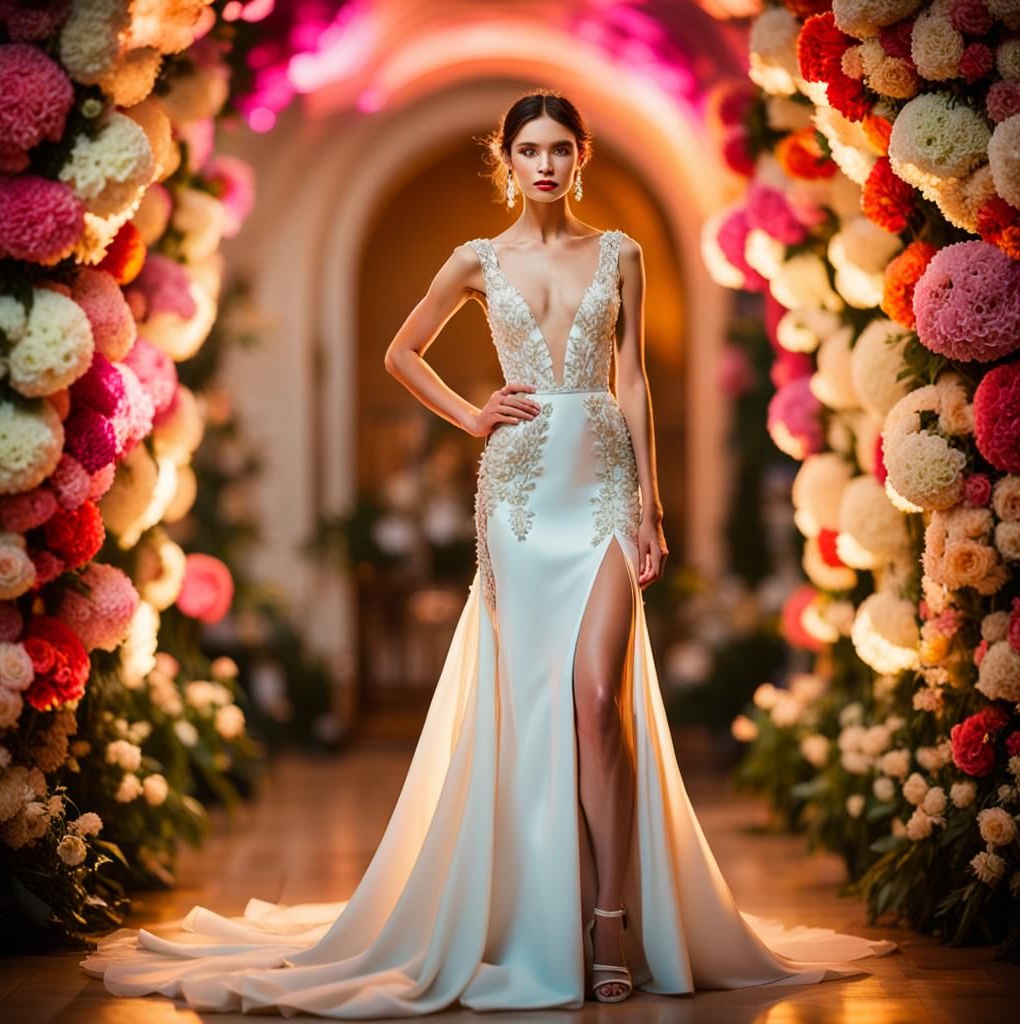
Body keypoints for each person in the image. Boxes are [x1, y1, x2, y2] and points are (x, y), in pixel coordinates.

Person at [80, 88, 895, 1017]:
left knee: (599, 702)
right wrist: (472, 416)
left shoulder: (620, 254)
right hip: (518, 497)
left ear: (580, 157)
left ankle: (610, 920)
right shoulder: (477, 259)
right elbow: (402, 352)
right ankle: (536, 912)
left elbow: (631, 379)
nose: (545, 164)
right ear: (507, 161)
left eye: (560, 149)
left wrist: (650, 507)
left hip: (602, 489)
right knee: (537, 706)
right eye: (529, 150)